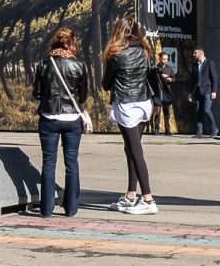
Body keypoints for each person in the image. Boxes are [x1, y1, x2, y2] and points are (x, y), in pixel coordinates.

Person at [33, 26, 91, 218]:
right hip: (72, 118)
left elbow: (37, 93)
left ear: (54, 41)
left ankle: (47, 209)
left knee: (48, 163)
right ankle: (71, 208)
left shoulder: (43, 64)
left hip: (49, 117)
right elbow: (83, 95)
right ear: (72, 43)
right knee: (71, 162)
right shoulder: (79, 65)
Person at [104, 17, 159, 213]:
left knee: (135, 151)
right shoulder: (145, 51)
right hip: (144, 102)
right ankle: (130, 194)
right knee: (132, 149)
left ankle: (148, 199)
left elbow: (106, 83)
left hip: (126, 104)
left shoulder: (115, 54)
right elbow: (151, 75)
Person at [191, 47, 218, 138]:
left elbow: (214, 77)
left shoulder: (209, 63)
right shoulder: (195, 65)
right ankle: (199, 132)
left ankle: (214, 129)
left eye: (195, 53)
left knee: (207, 110)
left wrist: (214, 91)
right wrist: (191, 93)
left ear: (201, 53)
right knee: (198, 111)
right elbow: (193, 80)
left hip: (208, 90)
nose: (193, 55)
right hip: (198, 91)